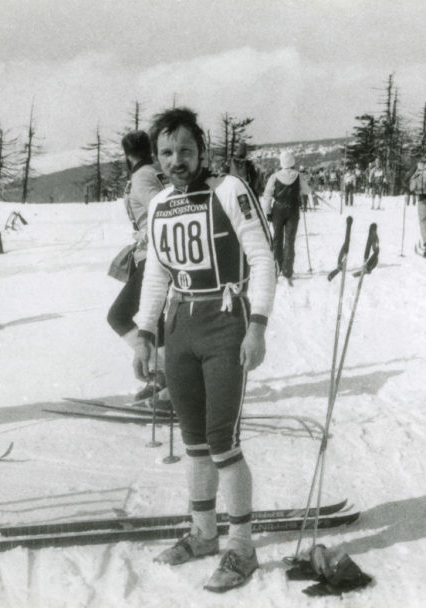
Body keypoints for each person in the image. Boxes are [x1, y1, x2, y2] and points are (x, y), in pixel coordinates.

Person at [131, 107, 275, 593]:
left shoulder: (229, 190)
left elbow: (262, 258)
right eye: (167, 152)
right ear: (156, 158)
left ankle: (241, 547)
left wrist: (257, 327)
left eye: (186, 151)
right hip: (181, 324)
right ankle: (203, 533)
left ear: (202, 151)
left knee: (221, 439)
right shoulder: (158, 205)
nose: (177, 160)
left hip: (224, 321)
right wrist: (146, 331)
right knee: (193, 438)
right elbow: (156, 272)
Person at [106, 131, 166, 400]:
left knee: (118, 315)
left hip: (154, 255)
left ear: (128, 155)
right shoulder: (151, 172)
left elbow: (162, 208)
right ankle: (163, 378)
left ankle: (161, 375)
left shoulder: (142, 177)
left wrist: (146, 234)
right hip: (154, 254)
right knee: (158, 319)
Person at [261, 150, 311, 282]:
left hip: (278, 209)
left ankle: (277, 267)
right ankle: (288, 270)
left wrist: (267, 211)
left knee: (277, 238)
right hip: (293, 209)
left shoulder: (275, 176)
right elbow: (307, 190)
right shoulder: (298, 176)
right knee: (290, 240)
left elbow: (267, 195)